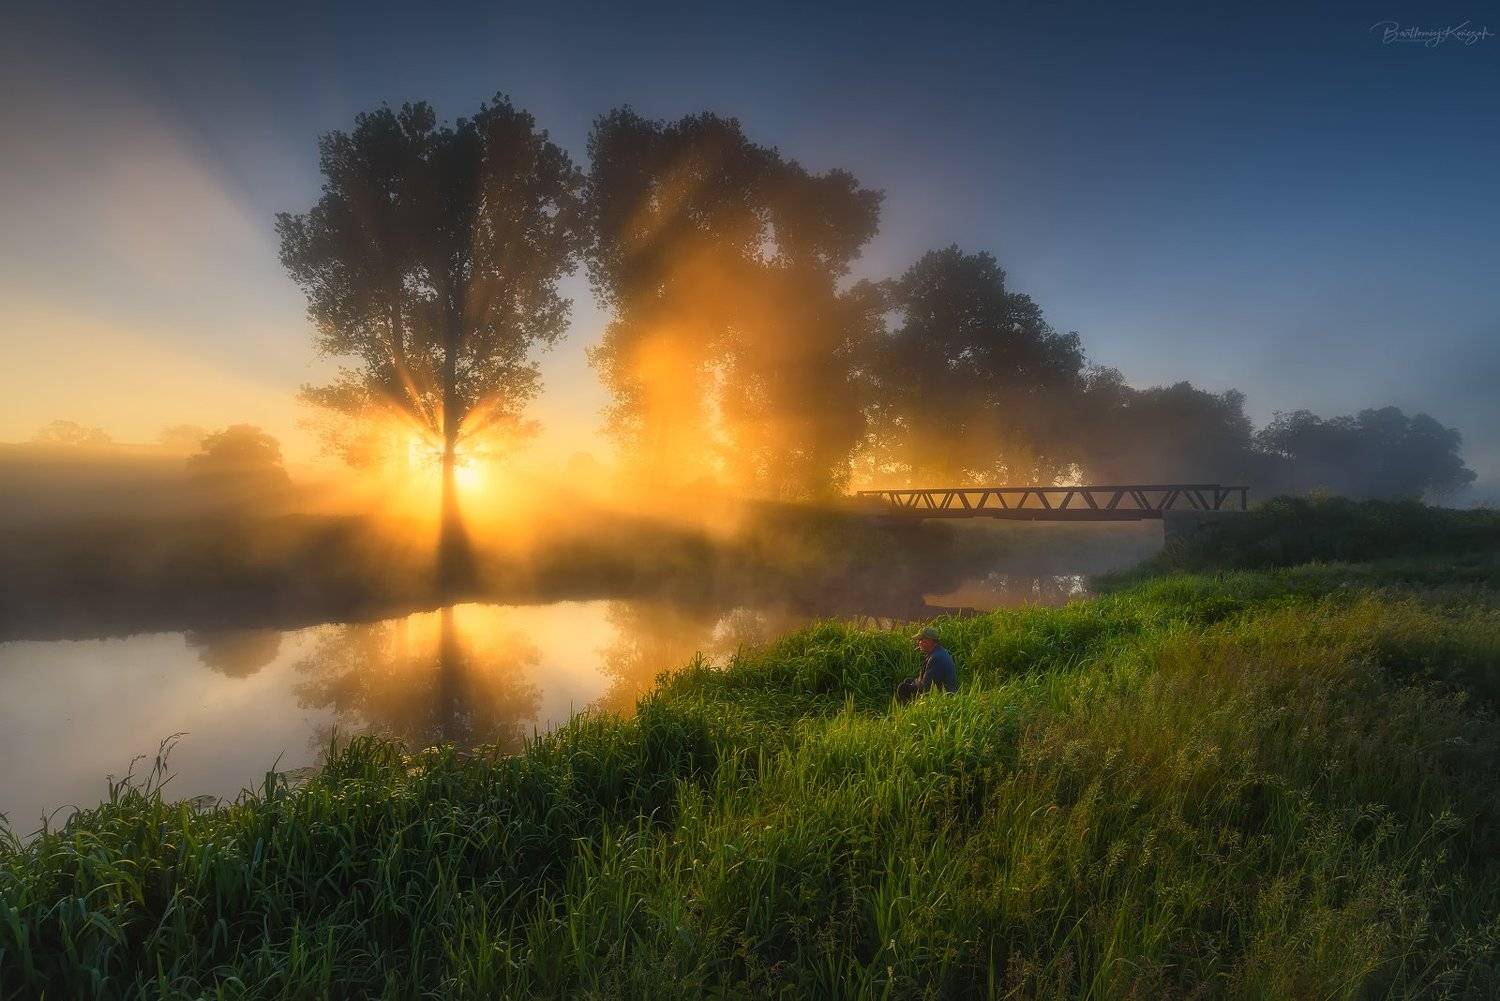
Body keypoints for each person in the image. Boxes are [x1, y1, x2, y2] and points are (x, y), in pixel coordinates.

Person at [896, 626, 958, 704]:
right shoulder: (938, 652)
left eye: (920, 639)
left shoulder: (936, 658)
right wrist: (913, 682)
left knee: (902, 688)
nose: (918, 642)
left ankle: (908, 713)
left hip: (943, 698)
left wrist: (913, 684)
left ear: (929, 641)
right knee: (908, 681)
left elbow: (926, 687)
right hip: (939, 691)